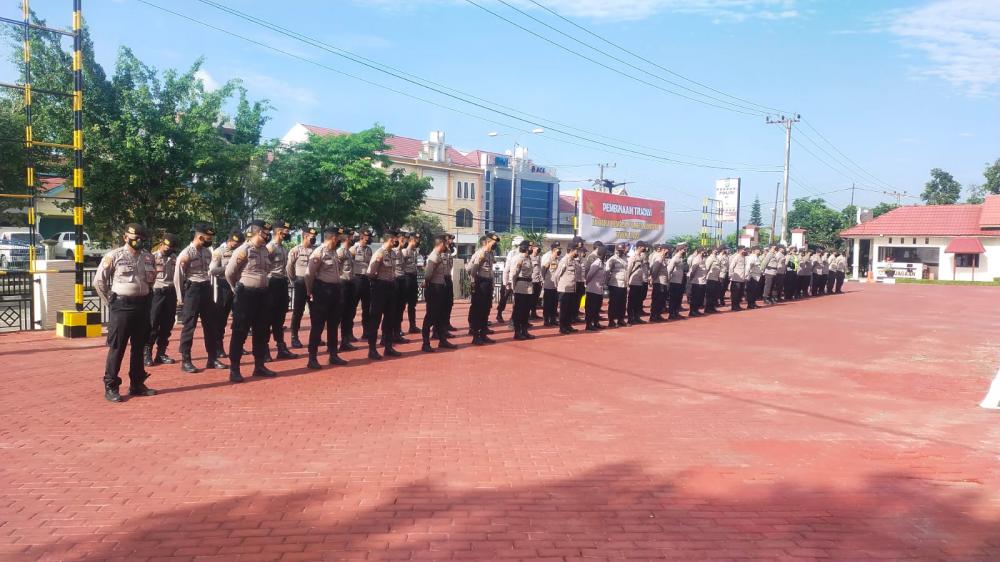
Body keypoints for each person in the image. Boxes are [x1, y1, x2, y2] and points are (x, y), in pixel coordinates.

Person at [95, 223, 157, 402]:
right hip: (122, 307)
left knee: (139, 347)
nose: (138, 240)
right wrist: (112, 303)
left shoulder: (148, 257)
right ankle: (111, 386)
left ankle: (137, 383)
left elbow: (150, 282)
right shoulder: (114, 256)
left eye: (141, 238)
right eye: (134, 237)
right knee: (118, 347)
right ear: (125, 237)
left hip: (142, 306)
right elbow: (99, 282)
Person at [225, 220, 277, 382]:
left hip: (263, 295)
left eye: (269, 233)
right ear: (255, 232)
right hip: (245, 295)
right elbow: (229, 273)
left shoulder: (264, 251)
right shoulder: (243, 250)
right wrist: (237, 290)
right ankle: (234, 369)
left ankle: (259, 365)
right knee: (240, 332)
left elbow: (266, 270)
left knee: (261, 331)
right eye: (264, 233)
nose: (268, 236)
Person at [174, 223, 225, 373]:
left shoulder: (207, 252)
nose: (210, 241)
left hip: (205, 288)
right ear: (200, 237)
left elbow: (207, 271)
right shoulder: (186, 254)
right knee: (189, 326)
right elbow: (178, 277)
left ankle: (212, 358)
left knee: (210, 325)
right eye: (208, 238)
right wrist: (180, 298)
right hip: (192, 290)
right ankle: (186, 360)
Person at [304, 226, 348, 370]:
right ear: (333, 238)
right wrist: (310, 291)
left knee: (333, 324)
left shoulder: (333, 252)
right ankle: (312, 357)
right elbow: (309, 274)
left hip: (335, 291)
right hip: (322, 291)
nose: (340, 241)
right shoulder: (319, 252)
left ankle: (333, 354)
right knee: (318, 325)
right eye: (339, 238)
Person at [367, 230, 403, 360]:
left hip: (391, 287)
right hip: (380, 287)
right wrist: (378, 280)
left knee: (389, 318)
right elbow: (370, 272)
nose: (397, 241)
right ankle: (372, 349)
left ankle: (388, 347)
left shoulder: (392, 253)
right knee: (375, 318)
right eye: (395, 239)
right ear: (390, 239)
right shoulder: (379, 253)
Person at [145, 233, 179, 367]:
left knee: (167, 324)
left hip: (171, 293)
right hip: (156, 293)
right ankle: (147, 353)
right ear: (161, 243)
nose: (167, 248)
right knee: (153, 324)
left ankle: (161, 353)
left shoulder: (175, 258)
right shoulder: (151, 257)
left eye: (170, 247)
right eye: (166, 245)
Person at [210, 230, 245, 358]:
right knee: (221, 318)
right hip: (224, 286)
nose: (236, 246)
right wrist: (230, 267)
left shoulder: (240, 251)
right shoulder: (219, 252)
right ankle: (218, 347)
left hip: (238, 285)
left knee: (240, 318)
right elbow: (213, 270)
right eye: (235, 244)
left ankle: (238, 346)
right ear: (230, 241)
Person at [265, 219, 297, 360]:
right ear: (279, 231)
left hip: (282, 283)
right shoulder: (270, 248)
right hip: (271, 283)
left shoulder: (283, 248)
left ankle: (281, 348)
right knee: (267, 318)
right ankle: (264, 349)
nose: (288, 233)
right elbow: (264, 268)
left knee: (279, 318)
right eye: (286, 231)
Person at [421, 235, 459, 352]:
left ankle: (442, 340)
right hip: (434, 288)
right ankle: (425, 343)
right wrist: (427, 282)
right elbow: (428, 274)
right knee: (430, 316)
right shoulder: (434, 256)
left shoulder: (440, 255)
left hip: (440, 286)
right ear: (441, 244)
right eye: (445, 243)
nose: (447, 245)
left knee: (440, 315)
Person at [287, 226, 318, 349]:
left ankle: (316, 337)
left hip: (314, 283)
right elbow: (289, 267)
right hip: (300, 282)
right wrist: (293, 280)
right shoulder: (295, 250)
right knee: (298, 312)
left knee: (316, 312)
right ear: (305, 236)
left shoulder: (316, 251)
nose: (314, 239)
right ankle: (294, 337)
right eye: (312, 237)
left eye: (315, 237)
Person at [467, 233, 500, 344]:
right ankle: (476, 335)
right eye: (493, 243)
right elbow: (472, 270)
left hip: (488, 283)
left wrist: (491, 282)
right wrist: (473, 284)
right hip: (480, 283)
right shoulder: (481, 253)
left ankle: (483, 334)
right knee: (479, 310)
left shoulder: (491, 253)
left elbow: (490, 269)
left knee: (486, 309)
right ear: (487, 242)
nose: (495, 245)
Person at [335, 228, 359, 352]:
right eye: (351, 237)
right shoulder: (340, 252)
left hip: (350, 284)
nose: (353, 238)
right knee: (339, 315)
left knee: (348, 315)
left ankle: (345, 341)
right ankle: (333, 343)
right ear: (346, 238)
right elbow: (336, 269)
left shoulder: (348, 252)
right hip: (342, 284)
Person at [349, 228, 374, 340]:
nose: (369, 239)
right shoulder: (353, 249)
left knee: (367, 308)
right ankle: (349, 333)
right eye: (368, 238)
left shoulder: (369, 250)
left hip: (366, 280)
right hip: (356, 279)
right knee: (352, 307)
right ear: (362, 237)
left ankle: (366, 331)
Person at [509, 240, 536, 340]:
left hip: (528, 286)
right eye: (530, 246)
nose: (532, 248)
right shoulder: (518, 258)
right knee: (519, 311)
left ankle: (525, 331)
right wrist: (513, 287)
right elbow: (513, 274)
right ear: (525, 247)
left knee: (526, 311)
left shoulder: (528, 258)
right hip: (520, 286)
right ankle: (517, 332)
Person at [553, 240, 582, 334]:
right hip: (564, 289)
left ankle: (568, 325)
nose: (577, 252)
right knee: (564, 310)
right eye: (576, 250)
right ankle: (562, 327)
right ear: (571, 250)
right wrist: (558, 287)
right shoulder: (564, 261)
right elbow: (556, 275)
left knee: (570, 309)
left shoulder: (573, 261)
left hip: (572, 289)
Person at [389, 231, 409, 345]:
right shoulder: (394, 252)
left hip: (401, 280)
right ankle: (390, 334)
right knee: (393, 309)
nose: (405, 241)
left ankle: (397, 332)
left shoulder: (400, 252)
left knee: (400, 308)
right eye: (403, 239)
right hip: (395, 281)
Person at [496, 235, 522, 325]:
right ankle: (499, 314)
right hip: (509, 280)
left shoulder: (525, 254)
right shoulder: (512, 253)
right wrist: (505, 282)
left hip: (519, 280)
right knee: (504, 298)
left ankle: (513, 318)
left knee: (517, 300)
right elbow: (507, 269)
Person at [584, 245, 608, 331]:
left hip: (599, 290)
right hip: (593, 289)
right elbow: (589, 275)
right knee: (591, 308)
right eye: (605, 253)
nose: (606, 255)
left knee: (597, 308)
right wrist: (587, 284)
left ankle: (596, 323)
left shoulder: (602, 263)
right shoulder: (596, 263)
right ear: (602, 254)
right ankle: (588, 325)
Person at [605, 243, 628, 327]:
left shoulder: (625, 258)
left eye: (622, 250)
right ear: (616, 250)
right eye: (619, 251)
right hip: (615, 284)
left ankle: (620, 319)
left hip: (623, 284)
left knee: (622, 303)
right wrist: (606, 282)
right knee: (614, 303)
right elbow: (607, 271)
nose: (620, 252)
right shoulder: (612, 259)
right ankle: (611, 321)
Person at [626, 241, 650, 325]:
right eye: (643, 247)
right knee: (632, 301)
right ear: (639, 247)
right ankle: (630, 318)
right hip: (633, 282)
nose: (645, 248)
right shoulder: (633, 257)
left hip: (640, 282)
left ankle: (636, 317)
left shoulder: (641, 257)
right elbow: (628, 270)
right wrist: (627, 282)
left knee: (638, 301)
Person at [402, 232, 421, 334]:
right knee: (402, 305)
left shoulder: (414, 252)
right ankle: (398, 328)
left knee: (412, 304)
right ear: (411, 240)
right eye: (416, 240)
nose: (418, 242)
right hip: (406, 278)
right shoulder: (404, 252)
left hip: (413, 278)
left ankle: (412, 326)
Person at [540, 242, 561, 327]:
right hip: (549, 283)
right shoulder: (547, 257)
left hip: (556, 285)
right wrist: (544, 279)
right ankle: (546, 320)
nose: (559, 250)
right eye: (557, 249)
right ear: (553, 249)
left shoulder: (557, 258)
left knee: (554, 303)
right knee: (548, 303)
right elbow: (543, 269)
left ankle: (553, 319)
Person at [648, 244, 668, 322]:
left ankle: (658, 314)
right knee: (657, 299)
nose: (668, 251)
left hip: (663, 281)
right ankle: (653, 316)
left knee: (661, 299)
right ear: (663, 250)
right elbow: (655, 269)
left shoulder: (662, 257)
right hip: (658, 281)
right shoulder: (659, 257)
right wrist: (653, 278)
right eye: (667, 250)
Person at [666, 245, 686, 320]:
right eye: (683, 249)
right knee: (673, 299)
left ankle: (676, 312)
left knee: (678, 298)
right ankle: (671, 314)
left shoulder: (680, 258)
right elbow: (669, 270)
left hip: (679, 281)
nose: (684, 251)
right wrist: (668, 281)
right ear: (679, 250)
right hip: (674, 281)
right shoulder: (675, 258)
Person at [688, 248, 708, 317]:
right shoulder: (697, 259)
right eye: (703, 251)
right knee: (695, 297)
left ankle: (696, 310)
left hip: (702, 281)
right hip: (697, 281)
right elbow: (693, 271)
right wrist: (691, 278)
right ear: (700, 251)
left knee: (699, 297)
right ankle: (692, 311)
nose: (705, 252)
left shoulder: (702, 258)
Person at [729, 247, 748, 311]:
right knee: (735, 293)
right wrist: (731, 275)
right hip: (736, 278)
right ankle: (734, 306)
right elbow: (731, 266)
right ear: (740, 250)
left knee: (740, 293)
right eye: (743, 250)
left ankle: (737, 305)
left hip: (742, 278)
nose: (744, 251)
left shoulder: (744, 257)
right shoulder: (736, 257)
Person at [704, 247, 722, 314]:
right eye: (715, 250)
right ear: (711, 251)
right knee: (710, 294)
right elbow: (707, 268)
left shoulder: (716, 258)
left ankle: (712, 307)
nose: (716, 251)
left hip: (715, 278)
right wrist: (705, 277)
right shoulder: (710, 258)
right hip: (710, 278)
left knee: (714, 294)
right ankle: (707, 308)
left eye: (717, 249)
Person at [529, 242, 543, 320]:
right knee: (530, 298)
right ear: (533, 248)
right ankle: (528, 314)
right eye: (537, 247)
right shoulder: (529, 257)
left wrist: (541, 279)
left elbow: (540, 269)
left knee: (536, 298)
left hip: (538, 280)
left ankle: (534, 313)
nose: (539, 248)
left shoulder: (539, 257)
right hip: (532, 281)